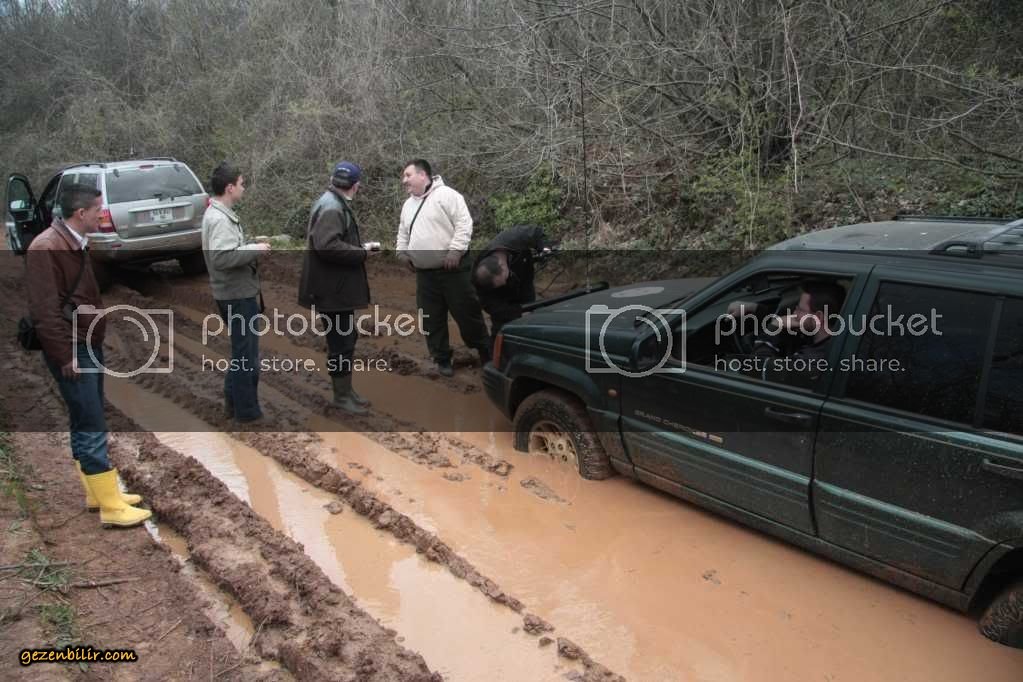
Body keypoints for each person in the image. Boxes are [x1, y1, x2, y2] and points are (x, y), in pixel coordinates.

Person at [26, 183, 150, 528]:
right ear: (81, 213)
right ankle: (111, 507)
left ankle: (98, 494)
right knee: (91, 421)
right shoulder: (46, 248)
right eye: (98, 209)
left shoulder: (74, 242)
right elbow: (44, 312)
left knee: (85, 418)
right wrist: (65, 356)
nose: (102, 214)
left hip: (84, 341)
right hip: (72, 347)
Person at [395, 159, 490, 377]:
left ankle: (485, 352)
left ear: (423, 175)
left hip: (453, 271)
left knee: (467, 313)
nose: (404, 180)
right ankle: (442, 358)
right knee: (431, 318)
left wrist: (455, 251)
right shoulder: (408, 205)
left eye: (408, 175)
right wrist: (402, 253)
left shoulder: (447, 195)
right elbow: (402, 233)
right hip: (424, 275)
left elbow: (464, 224)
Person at [298, 161, 379, 415]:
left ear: (333, 181)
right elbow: (328, 246)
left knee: (345, 338)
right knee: (341, 342)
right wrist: (362, 253)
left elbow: (329, 242)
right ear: (356, 186)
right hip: (331, 290)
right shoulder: (332, 207)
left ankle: (346, 391)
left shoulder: (331, 202)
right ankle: (341, 396)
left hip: (333, 287)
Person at [201, 161, 270, 422]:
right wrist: (255, 250)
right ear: (230, 188)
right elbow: (221, 257)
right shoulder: (219, 219)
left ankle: (233, 405)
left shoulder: (217, 213)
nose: (244, 188)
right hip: (236, 296)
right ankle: (247, 413)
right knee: (246, 357)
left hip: (233, 293)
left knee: (242, 353)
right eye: (242, 183)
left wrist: (250, 246)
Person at [472, 224, 553, 341]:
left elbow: (536, 232)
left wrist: (544, 247)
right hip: (502, 301)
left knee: (530, 322)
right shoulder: (479, 278)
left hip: (524, 283)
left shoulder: (513, 238)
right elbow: (491, 306)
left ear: (502, 265)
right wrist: (518, 313)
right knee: (501, 331)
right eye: (500, 284)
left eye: (503, 280)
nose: (505, 282)